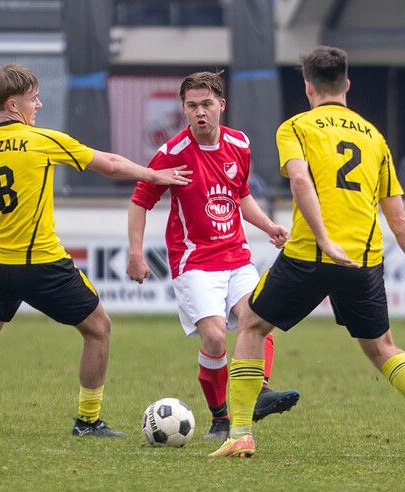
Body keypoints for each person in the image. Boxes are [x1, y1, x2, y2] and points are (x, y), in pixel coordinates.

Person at [210, 46, 405, 461]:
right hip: (363, 263)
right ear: (347, 84)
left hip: (308, 257)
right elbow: (400, 220)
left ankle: (241, 434)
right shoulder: (375, 138)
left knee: (251, 324)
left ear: (307, 86)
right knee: (384, 347)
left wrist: (323, 239)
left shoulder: (296, 127)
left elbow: (300, 180)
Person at [0, 63, 192, 437]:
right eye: (33, 98)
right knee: (99, 328)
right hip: (42, 263)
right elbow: (111, 164)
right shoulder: (42, 140)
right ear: (12, 103)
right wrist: (154, 175)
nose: (39, 104)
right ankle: (88, 421)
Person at [127, 71, 300, 441]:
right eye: (192, 106)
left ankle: (258, 392)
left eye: (207, 104)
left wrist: (269, 227)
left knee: (260, 318)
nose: (200, 112)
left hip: (236, 255)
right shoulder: (172, 154)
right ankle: (220, 416)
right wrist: (136, 253)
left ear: (221, 105)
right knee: (217, 338)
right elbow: (140, 201)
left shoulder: (239, 143)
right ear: (184, 109)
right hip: (194, 262)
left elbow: (240, 197)